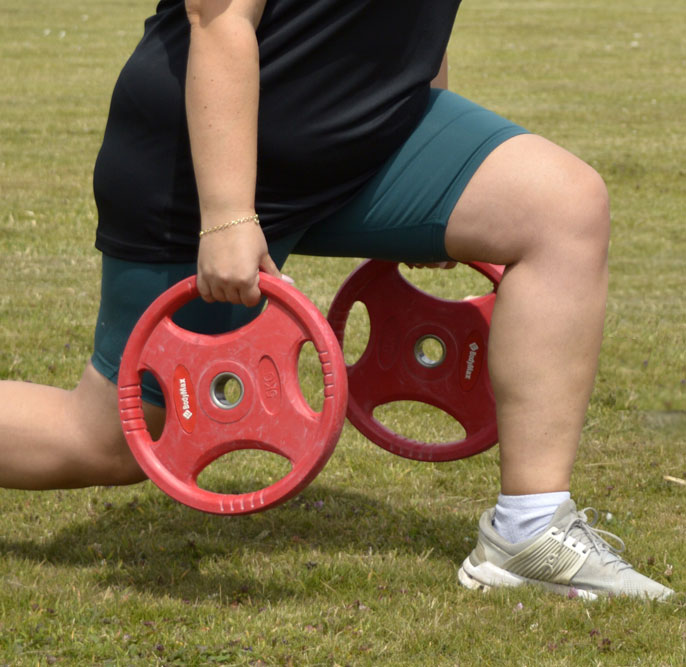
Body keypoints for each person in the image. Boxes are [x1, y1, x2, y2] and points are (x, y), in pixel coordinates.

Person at [0, 0, 673, 600]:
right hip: (205, 155)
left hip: (369, 142)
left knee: (563, 207)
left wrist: (432, 191)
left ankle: (529, 531)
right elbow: (219, 17)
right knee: (109, 441)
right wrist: (230, 215)